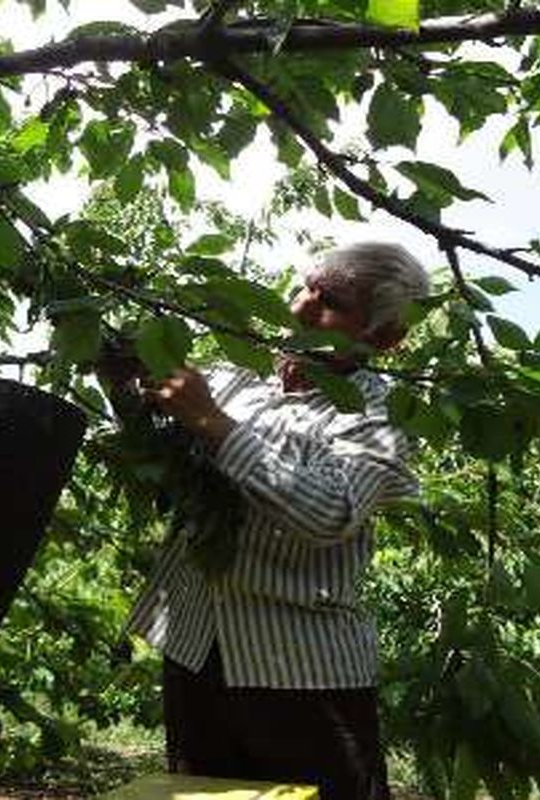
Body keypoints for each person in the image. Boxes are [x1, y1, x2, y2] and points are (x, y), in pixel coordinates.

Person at [104, 242, 431, 799]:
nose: (301, 307)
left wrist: (213, 421)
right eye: (305, 286)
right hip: (196, 647)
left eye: (330, 302)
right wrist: (123, 384)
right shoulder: (240, 378)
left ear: (383, 337)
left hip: (302, 674)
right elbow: (167, 463)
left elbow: (329, 512)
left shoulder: (378, 415)